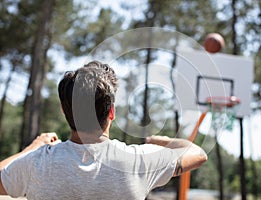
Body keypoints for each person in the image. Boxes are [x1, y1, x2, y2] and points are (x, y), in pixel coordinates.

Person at [0, 61, 207, 199]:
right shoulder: (138, 161)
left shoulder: (36, 163)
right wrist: (156, 139)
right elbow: (198, 153)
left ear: (64, 110)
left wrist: (30, 149)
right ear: (112, 112)